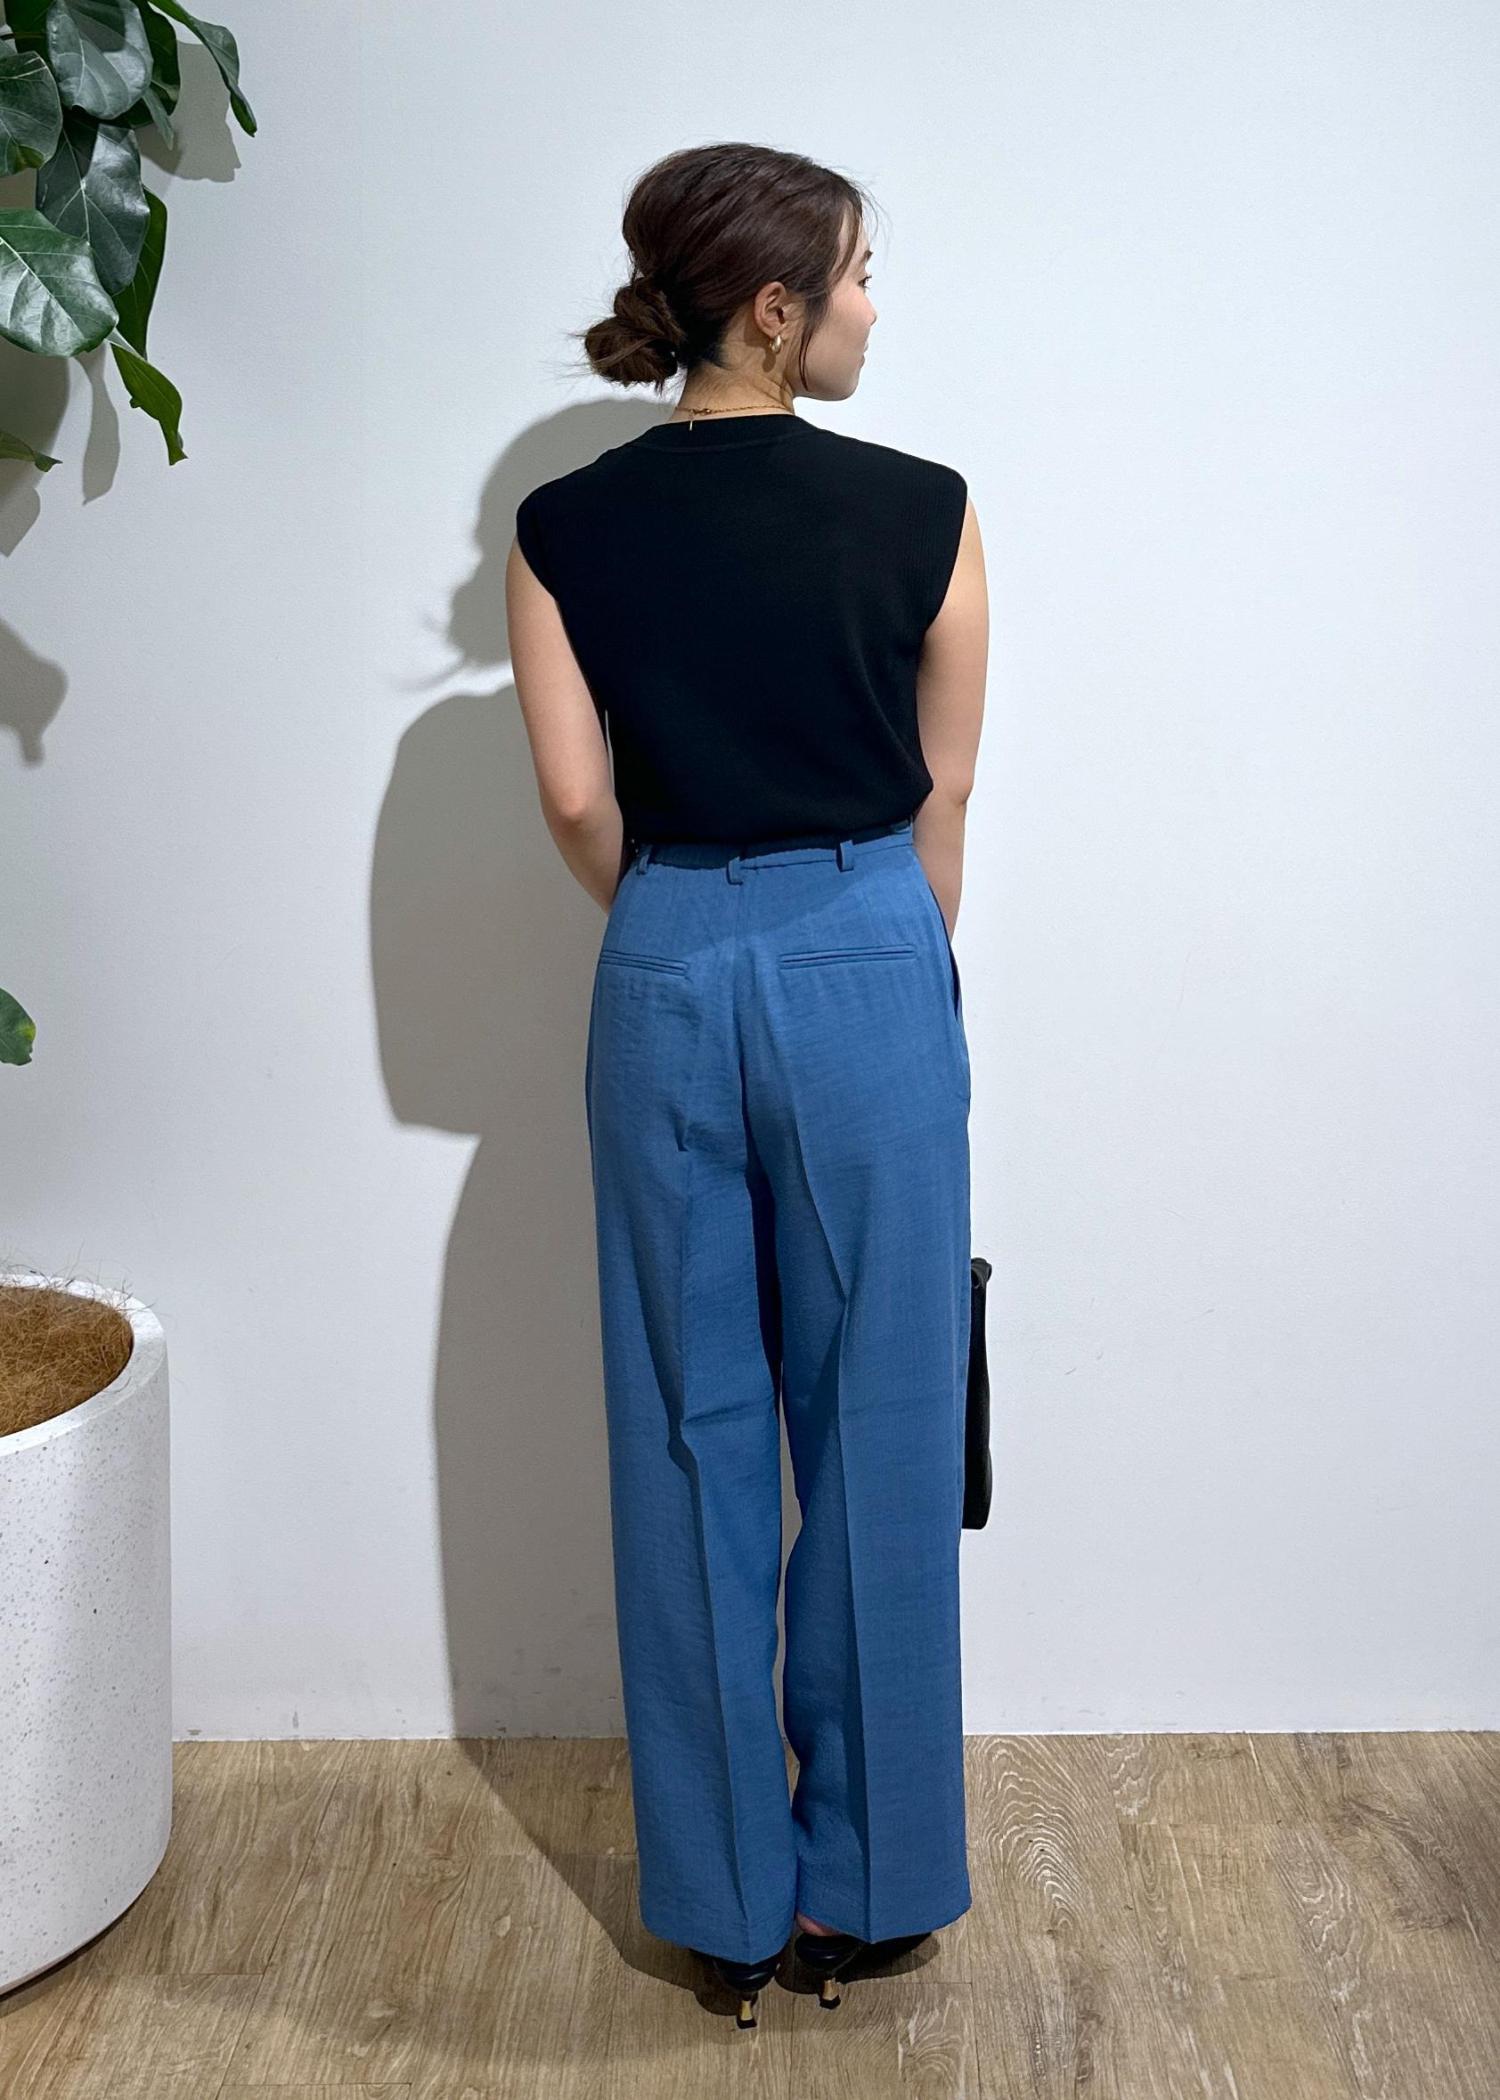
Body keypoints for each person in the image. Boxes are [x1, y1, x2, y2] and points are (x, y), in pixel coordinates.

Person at [506, 141, 987, 2027]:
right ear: (776, 310)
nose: (873, 304)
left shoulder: (563, 528)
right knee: (882, 1408)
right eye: (856, 274)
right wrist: (879, 958)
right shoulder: (926, 510)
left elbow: (576, 800)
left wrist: (685, 926)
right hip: (870, 949)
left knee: (690, 1419)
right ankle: (873, 1885)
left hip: (665, 959)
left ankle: (721, 1904)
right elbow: (944, 791)